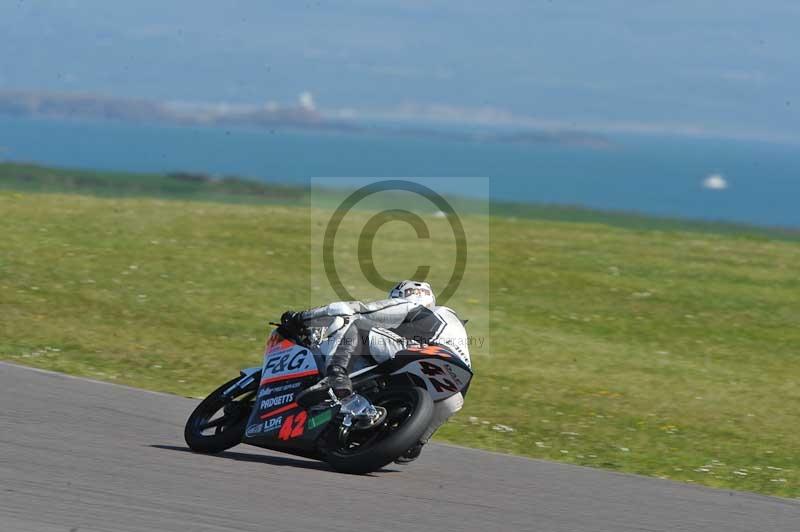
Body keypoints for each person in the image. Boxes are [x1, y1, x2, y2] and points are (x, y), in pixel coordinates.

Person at [280, 280, 472, 463]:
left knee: (356, 325)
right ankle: (414, 442)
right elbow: (453, 403)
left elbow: (354, 310)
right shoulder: (452, 324)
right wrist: (415, 439)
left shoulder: (411, 307)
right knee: (445, 409)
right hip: (456, 382)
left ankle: (336, 376)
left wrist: (301, 317)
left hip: (426, 352)